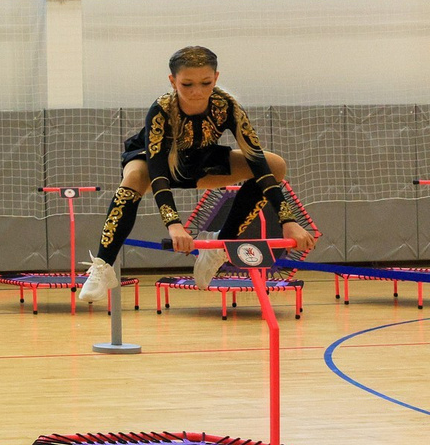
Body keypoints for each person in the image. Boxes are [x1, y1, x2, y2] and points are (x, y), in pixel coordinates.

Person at [76, 45, 319, 306]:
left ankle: (222, 243)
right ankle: (103, 265)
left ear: (216, 77)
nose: (197, 92)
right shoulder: (161, 110)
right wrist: (174, 224)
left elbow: (256, 160)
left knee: (275, 165)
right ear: (173, 81)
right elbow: (157, 171)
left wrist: (288, 220)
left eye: (205, 83)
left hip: (200, 162)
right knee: (134, 176)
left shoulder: (227, 106)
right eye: (187, 84)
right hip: (156, 164)